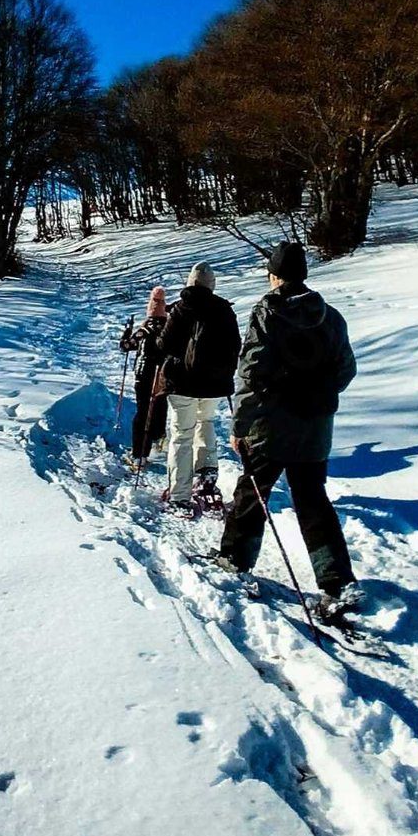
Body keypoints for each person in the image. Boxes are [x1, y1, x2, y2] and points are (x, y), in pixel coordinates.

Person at [216, 242, 361, 616]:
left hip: (271, 424)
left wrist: (240, 425)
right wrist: (318, 393)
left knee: (252, 492)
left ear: (274, 275)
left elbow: (250, 372)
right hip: (315, 426)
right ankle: (338, 582)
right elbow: (345, 369)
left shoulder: (267, 313)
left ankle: (234, 559)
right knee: (313, 500)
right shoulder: (330, 316)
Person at [154, 262, 240, 514]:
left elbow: (164, 345)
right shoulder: (224, 309)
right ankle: (207, 477)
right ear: (212, 285)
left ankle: (179, 494)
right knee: (207, 423)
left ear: (190, 283)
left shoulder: (182, 309)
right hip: (214, 384)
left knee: (182, 434)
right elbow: (235, 345)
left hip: (182, 382)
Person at [119, 286, 170, 465]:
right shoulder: (169, 327)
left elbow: (126, 346)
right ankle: (158, 437)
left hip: (144, 375)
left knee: (143, 413)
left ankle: (139, 453)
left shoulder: (145, 328)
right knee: (159, 407)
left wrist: (126, 332)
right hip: (162, 376)